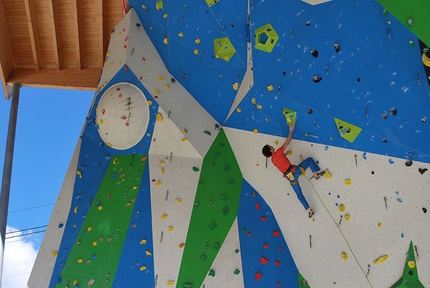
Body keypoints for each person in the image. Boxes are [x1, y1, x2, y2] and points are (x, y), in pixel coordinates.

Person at [262, 125, 325, 218]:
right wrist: (290, 130)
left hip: (290, 178)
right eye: (270, 146)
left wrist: (285, 154)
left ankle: (309, 210)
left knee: (299, 194)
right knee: (310, 160)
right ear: (270, 150)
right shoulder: (278, 152)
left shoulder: (272, 160)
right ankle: (315, 174)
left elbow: (281, 164)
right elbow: (288, 141)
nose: (271, 146)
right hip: (295, 171)